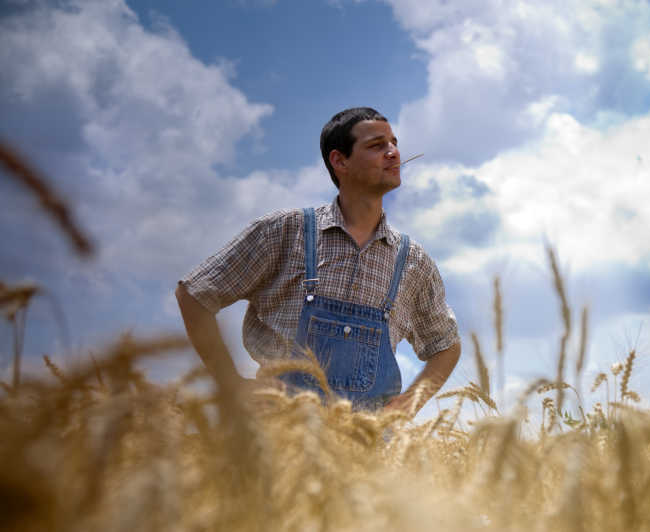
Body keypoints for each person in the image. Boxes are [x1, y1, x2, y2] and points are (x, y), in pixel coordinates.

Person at [175, 107, 460, 415]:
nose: (393, 152)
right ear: (340, 161)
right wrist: (230, 381)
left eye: (393, 143)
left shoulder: (414, 261)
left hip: (368, 451)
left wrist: (411, 401)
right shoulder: (283, 232)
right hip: (281, 437)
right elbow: (194, 294)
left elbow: (445, 344)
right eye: (377, 145)